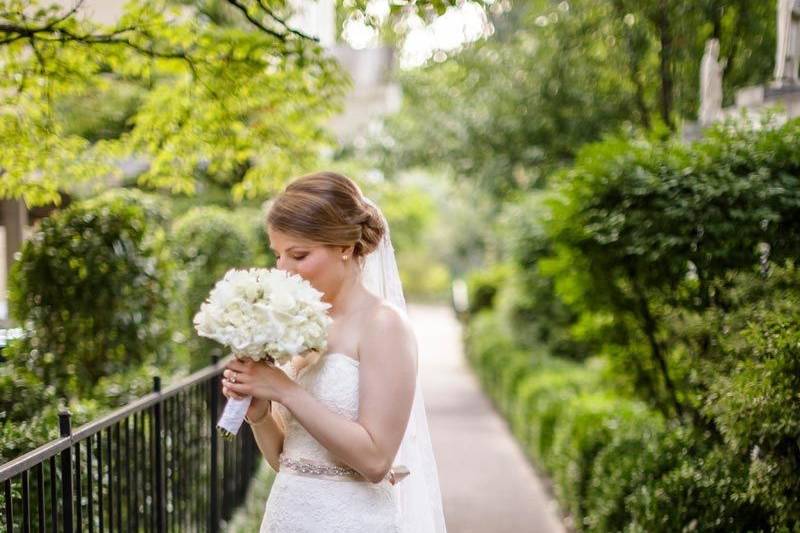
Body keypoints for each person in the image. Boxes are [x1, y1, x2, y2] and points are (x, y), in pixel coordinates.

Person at [221, 171, 447, 532]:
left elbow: (375, 460)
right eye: (278, 255)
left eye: (299, 255)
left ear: (344, 246)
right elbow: (289, 461)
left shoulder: (384, 325)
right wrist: (260, 413)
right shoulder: (303, 325)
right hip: (287, 515)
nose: (284, 269)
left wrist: (284, 389)